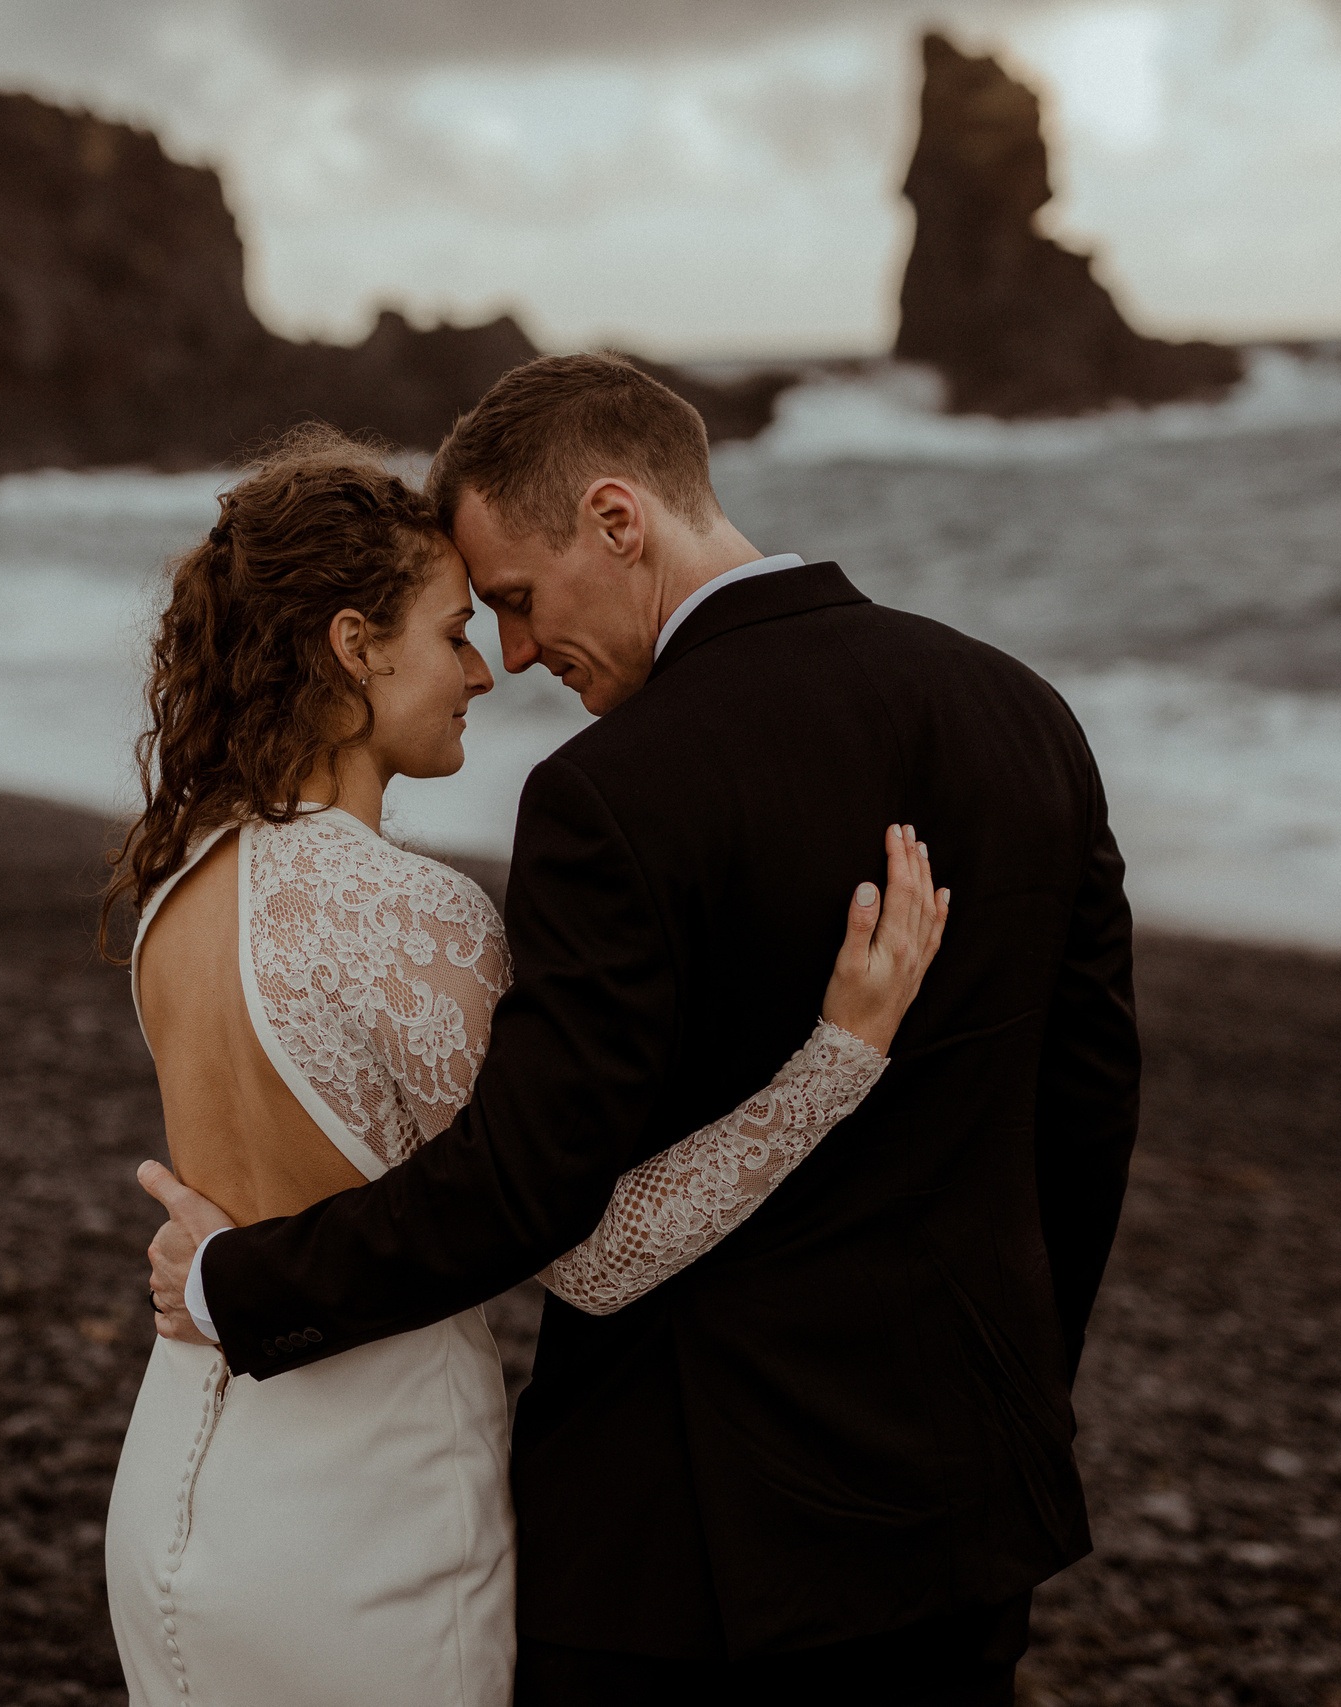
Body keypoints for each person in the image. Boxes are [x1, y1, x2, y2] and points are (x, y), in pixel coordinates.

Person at [141, 356, 1143, 1706]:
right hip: (967, 1511)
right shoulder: (1024, 716)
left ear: (619, 520)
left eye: (515, 600)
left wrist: (237, 1284)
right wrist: (1017, 1398)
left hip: (684, 1549)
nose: (515, 653)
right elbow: (1084, 1111)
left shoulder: (611, 796)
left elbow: (526, 1192)